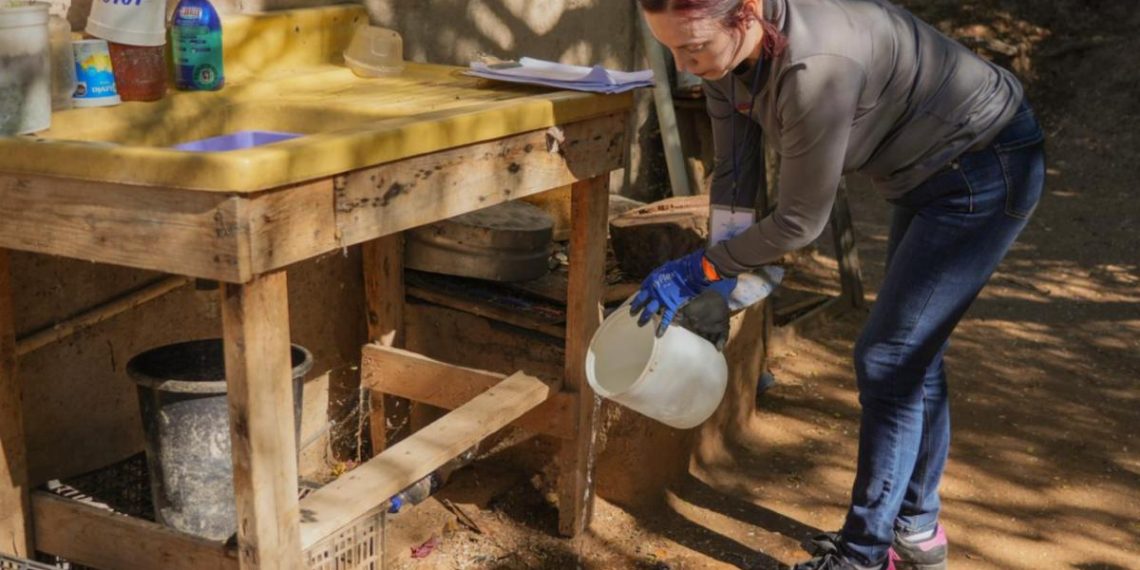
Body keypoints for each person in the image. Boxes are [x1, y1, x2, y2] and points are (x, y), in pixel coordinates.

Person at [630, 0, 1046, 568]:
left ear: (747, 13)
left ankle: (864, 555)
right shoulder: (726, 59)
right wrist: (718, 285)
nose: (683, 65)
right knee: (912, 354)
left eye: (693, 47)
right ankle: (917, 531)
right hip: (925, 174)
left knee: (890, 357)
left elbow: (800, 222)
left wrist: (700, 269)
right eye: (671, 49)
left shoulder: (815, 66)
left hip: (983, 166)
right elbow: (734, 174)